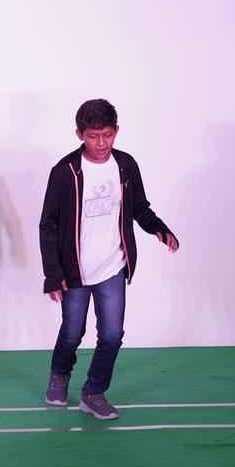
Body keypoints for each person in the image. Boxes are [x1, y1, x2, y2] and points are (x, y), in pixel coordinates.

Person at [39, 98, 179, 419]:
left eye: (107, 135)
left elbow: (139, 207)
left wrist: (159, 229)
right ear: (79, 134)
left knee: (113, 335)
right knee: (72, 332)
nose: (101, 143)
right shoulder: (65, 171)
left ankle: (94, 392)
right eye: (93, 136)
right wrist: (52, 274)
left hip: (113, 265)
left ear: (116, 131)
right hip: (75, 270)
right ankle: (60, 374)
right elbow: (48, 224)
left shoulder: (126, 166)